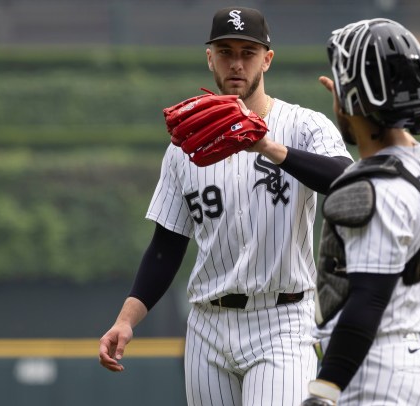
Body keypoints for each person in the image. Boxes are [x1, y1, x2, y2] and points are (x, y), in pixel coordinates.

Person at [98, 6, 353, 406]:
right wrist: (126, 320)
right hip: (207, 327)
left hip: (282, 321)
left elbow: (347, 182)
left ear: (267, 59)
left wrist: (270, 148)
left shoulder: (304, 126)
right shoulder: (185, 145)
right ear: (210, 57)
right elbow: (166, 245)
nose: (237, 63)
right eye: (226, 51)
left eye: (248, 52)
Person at [301, 19, 420, 405]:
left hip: (371, 371)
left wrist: (324, 389)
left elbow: (367, 300)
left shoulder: (373, 189)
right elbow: (396, 136)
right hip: (408, 360)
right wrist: (357, 107)